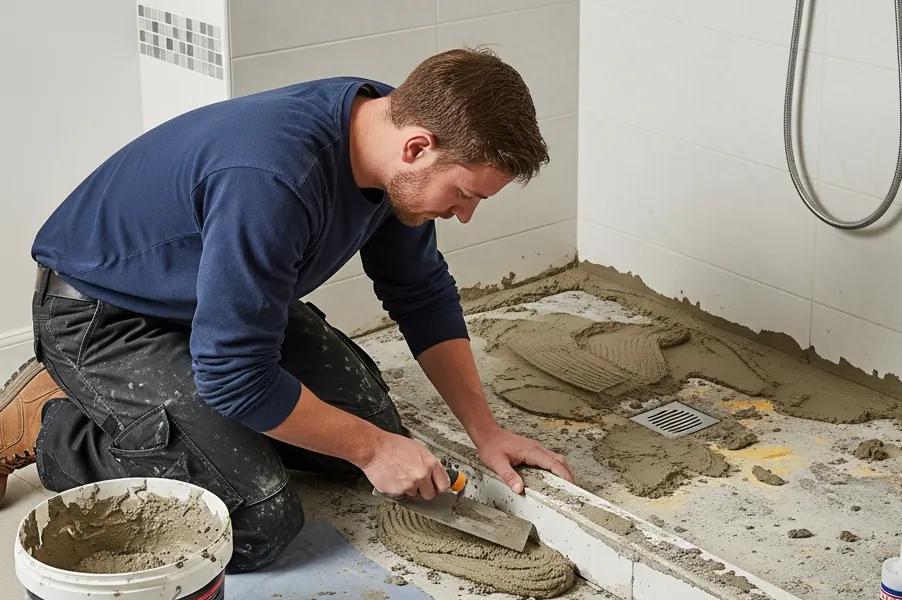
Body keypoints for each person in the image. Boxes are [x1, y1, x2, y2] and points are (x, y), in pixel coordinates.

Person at [1, 48, 573, 570]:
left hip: (209, 302)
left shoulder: (384, 131)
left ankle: (173, 419)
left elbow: (419, 290)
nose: (465, 214)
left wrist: (485, 431)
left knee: (369, 430)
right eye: (466, 194)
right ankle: (50, 427)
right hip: (106, 318)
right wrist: (373, 451)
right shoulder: (274, 178)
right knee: (256, 519)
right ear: (417, 147)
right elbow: (234, 375)